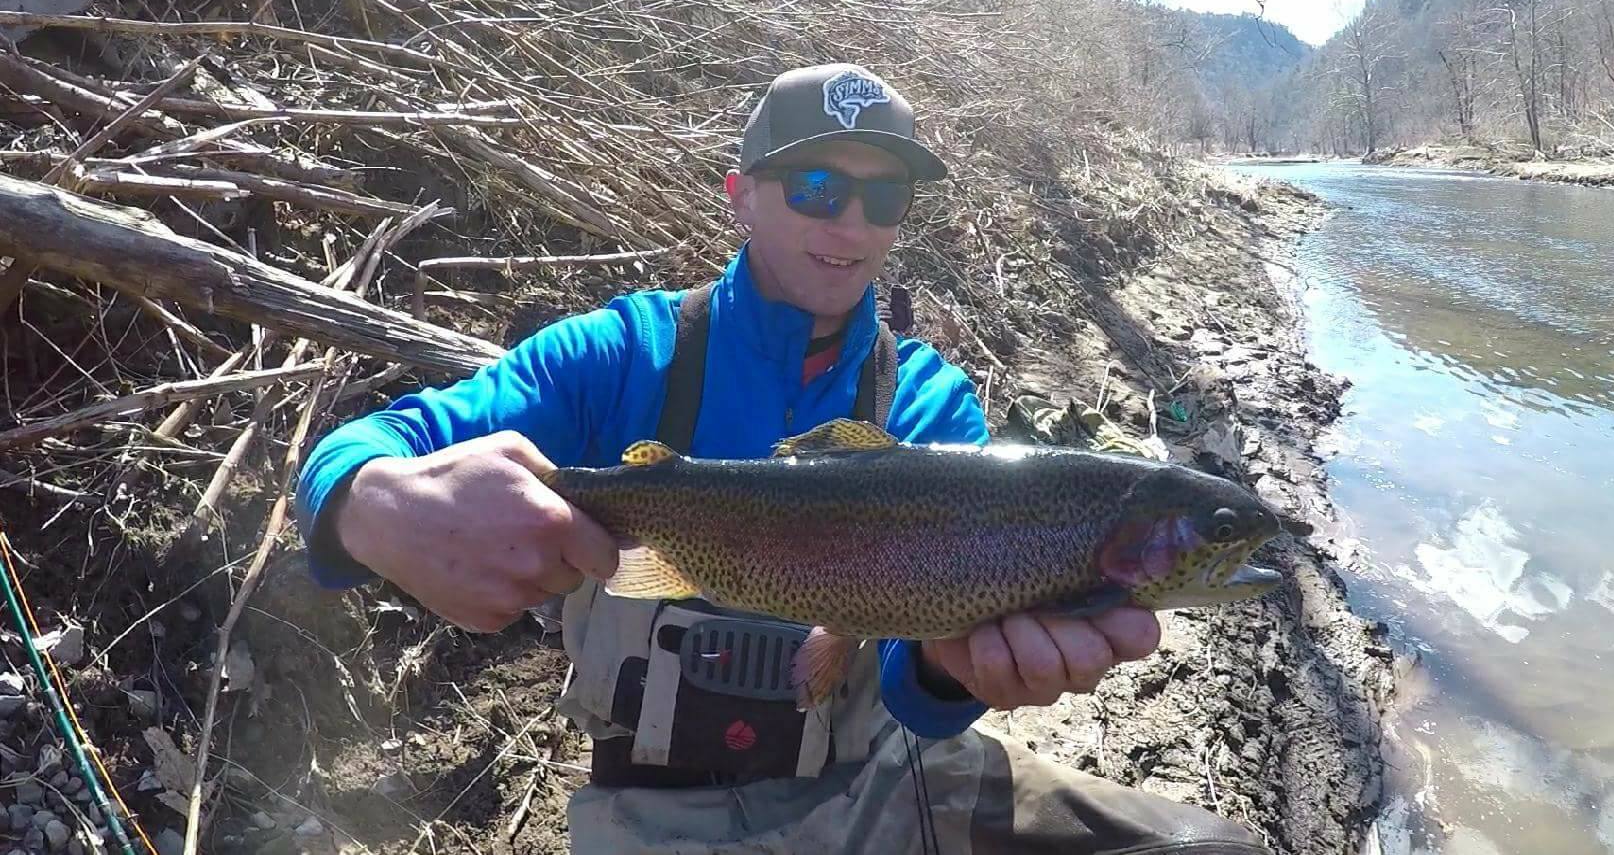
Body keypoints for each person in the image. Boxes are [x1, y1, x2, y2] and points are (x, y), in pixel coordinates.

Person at [293, 64, 1269, 854]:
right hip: (652, 820)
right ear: (740, 195)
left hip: (882, 787)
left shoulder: (928, 403)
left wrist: (950, 668)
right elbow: (364, 446)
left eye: (880, 195)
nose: (848, 222)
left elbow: (913, 697)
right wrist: (372, 505)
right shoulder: (620, 356)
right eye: (814, 186)